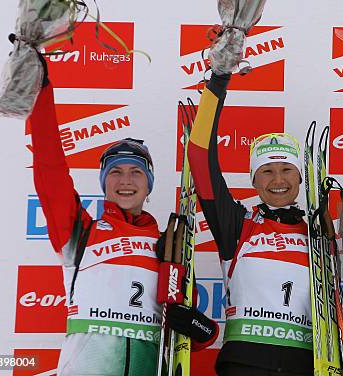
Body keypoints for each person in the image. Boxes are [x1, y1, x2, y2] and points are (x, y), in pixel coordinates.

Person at [28, 55, 218, 375]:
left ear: (149, 185)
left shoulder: (167, 247)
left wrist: (202, 328)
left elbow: (191, 336)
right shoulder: (79, 231)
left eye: (136, 173)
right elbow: (49, 167)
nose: (126, 180)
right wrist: (39, 89)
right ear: (104, 182)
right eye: (115, 172)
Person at [188, 72, 313, 376]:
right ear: (254, 179)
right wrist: (218, 80)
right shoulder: (237, 225)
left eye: (287, 169)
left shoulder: (319, 235)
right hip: (244, 364)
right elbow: (200, 156)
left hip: (305, 366)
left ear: (300, 177)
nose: (278, 180)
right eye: (267, 171)